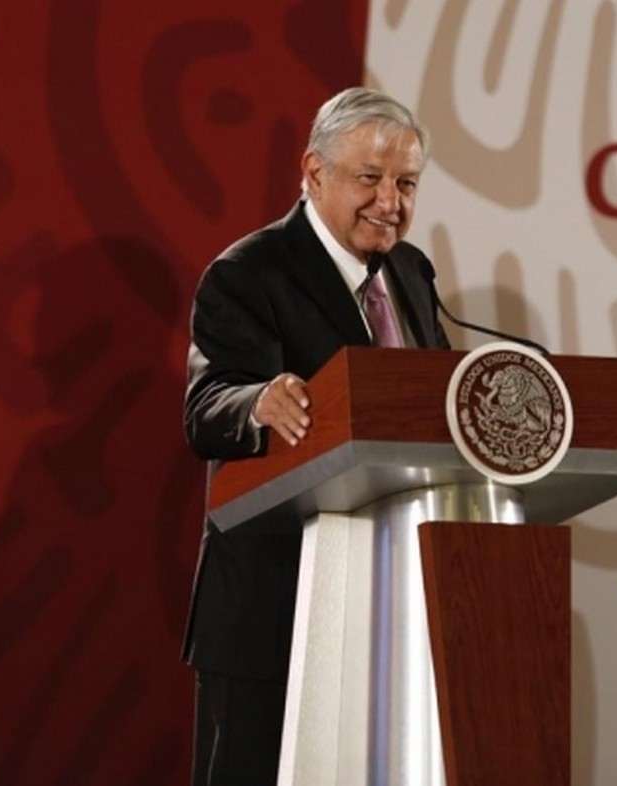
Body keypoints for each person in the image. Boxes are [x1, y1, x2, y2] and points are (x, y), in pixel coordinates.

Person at [182, 87, 449, 786]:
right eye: (371, 179)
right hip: (274, 607)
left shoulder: (411, 272)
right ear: (313, 171)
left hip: (390, 603)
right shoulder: (250, 272)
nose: (390, 202)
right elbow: (207, 404)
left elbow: (434, 406)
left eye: (406, 184)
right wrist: (258, 402)